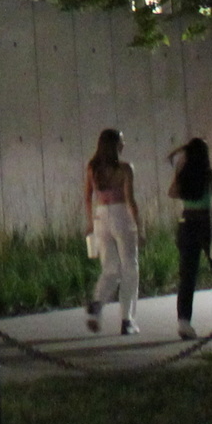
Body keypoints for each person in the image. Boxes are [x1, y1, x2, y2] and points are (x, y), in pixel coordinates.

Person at [167, 137, 212, 338]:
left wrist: (179, 169)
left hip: (186, 224)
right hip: (208, 224)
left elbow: (171, 193)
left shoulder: (184, 176)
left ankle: (184, 322)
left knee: (187, 275)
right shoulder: (211, 175)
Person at [82, 127, 142, 334]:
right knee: (130, 268)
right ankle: (127, 320)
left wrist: (91, 222)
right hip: (120, 215)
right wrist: (140, 227)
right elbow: (130, 200)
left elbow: (87, 197)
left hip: (100, 216)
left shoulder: (92, 168)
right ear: (115, 145)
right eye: (121, 142)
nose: (123, 145)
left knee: (109, 267)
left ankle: (98, 303)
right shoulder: (125, 169)